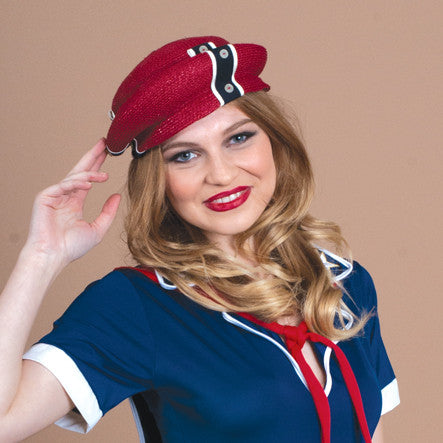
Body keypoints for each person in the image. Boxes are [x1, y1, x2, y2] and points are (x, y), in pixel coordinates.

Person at [0, 36, 399, 442]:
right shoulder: (139, 304)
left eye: (238, 138)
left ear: (275, 143)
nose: (221, 174)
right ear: (159, 180)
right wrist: (41, 256)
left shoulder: (343, 282)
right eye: (185, 155)